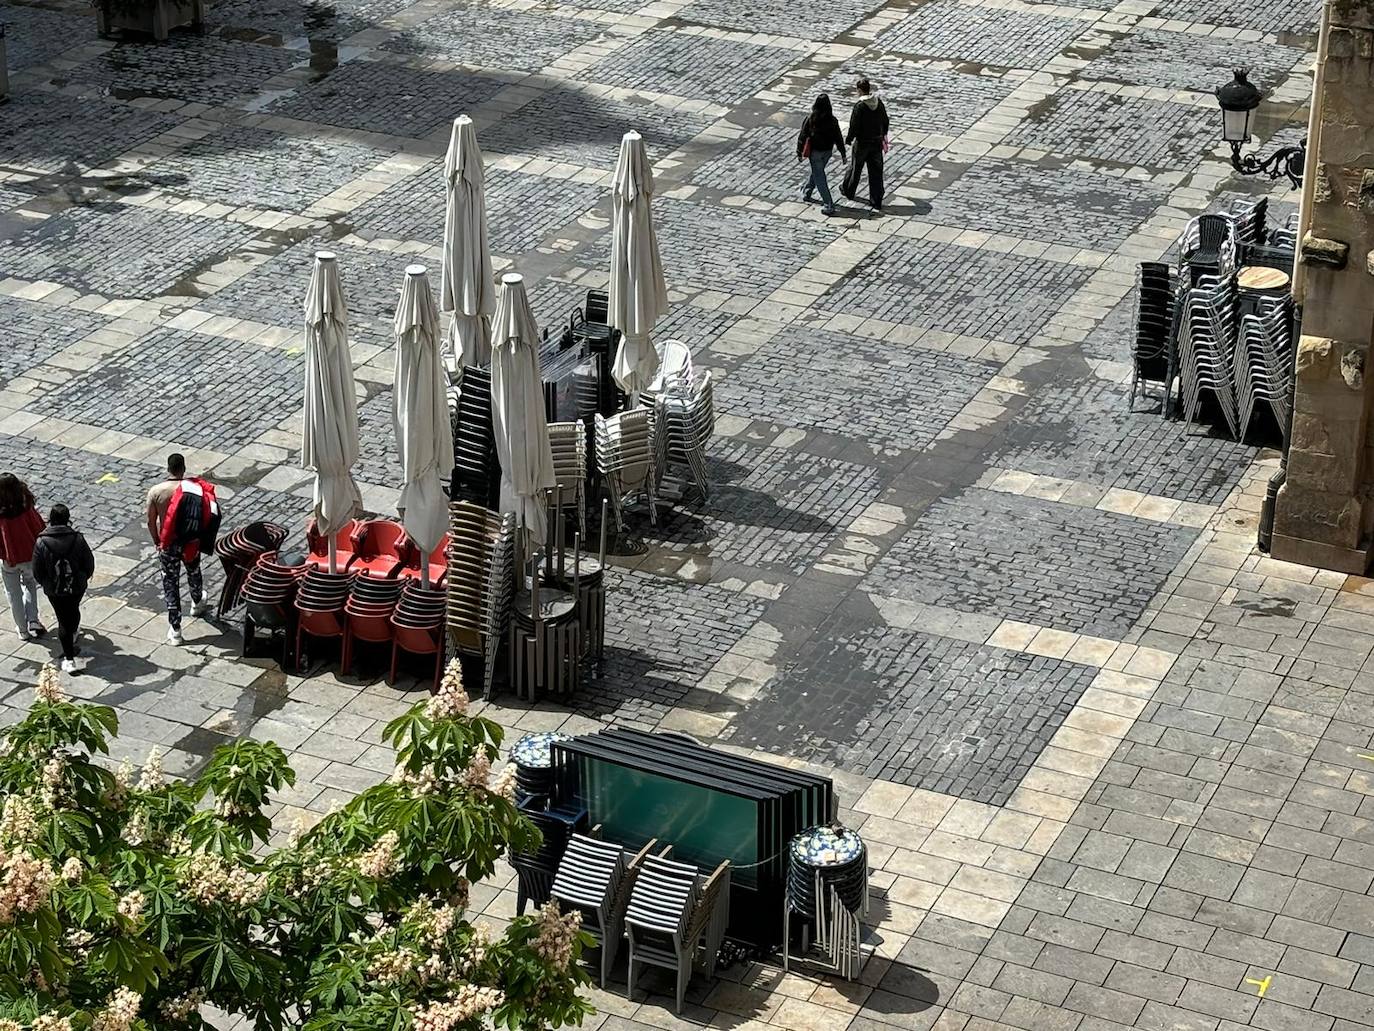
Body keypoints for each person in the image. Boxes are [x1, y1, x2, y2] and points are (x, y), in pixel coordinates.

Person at [147, 453, 220, 645]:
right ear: (183, 468)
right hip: (190, 541)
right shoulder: (193, 489)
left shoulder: (156, 491)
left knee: (170, 582)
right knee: (193, 570)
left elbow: (151, 521)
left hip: (168, 543)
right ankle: (197, 601)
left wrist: (157, 540)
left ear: (168, 468)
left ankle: (176, 629)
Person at [31, 504, 94, 674]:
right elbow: (89, 564)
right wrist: (82, 578)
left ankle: (69, 659)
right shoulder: (78, 539)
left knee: (62, 619)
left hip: (54, 589)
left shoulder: (41, 542)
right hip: (76, 586)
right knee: (73, 611)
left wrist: (47, 583)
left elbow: (37, 570)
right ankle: (73, 633)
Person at [0, 474, 47, 641]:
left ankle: (22, 630)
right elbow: (38, 526)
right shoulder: (25, 505)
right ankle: (33, 620)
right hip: (29, 555)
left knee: (13, 593)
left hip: (9, 559)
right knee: (30, 584)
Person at [843, 77, 890, 213]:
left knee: (856, 167)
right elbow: (885, 120)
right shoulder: (878, 102)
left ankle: (849, 190)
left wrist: (849, 138)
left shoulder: (860, 106)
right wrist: (883, 134)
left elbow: (854, 125)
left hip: (862, 142)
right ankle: (876, 200)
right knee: (876, 171)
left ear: (859, 90)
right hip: (876, 142)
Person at [796, 93, 846, 217]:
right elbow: (838, 137)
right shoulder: (832, 120)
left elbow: (803, 136)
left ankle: (828, 203)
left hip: (815, 152)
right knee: (817, 172)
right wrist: (843, 153)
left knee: (819, 176)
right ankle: (807, 192)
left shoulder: (811, 118)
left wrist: (799, 151)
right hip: (827, 151)